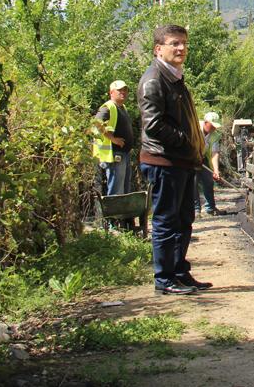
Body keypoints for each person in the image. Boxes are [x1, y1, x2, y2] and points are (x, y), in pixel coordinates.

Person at [137, 24, 211, 295]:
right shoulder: (154, 79)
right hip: (164, 161)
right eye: (174, 44)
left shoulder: (174, 77)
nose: (181, 48)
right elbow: (153, 125)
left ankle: (179, 272)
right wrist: (186, 140)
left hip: (180, 162)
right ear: (159, 49)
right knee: (166, 221)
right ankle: (164, 279)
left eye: (184, 43)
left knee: (183, 220)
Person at [92, 80, 134, 196]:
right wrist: (113, 139)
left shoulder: (122, 107)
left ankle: (123, 214)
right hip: (114, 153)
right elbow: (96, 124)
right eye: (119, 90)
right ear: (111, 92)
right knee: (117, 190)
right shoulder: (108, 107)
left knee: (124, 189)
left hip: (124, 153)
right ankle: (115, 214)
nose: (123, 92)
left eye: (125, 90)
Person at [195, 111, 223, 216]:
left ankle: (210, 208)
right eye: (212, 126)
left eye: (215, 126)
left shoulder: (215, 135)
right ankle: (196, 209)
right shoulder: (195, 127)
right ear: (206, 123)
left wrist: (216, 170)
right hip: (190, 158)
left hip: (203, 158)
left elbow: (214, 153)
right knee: (193, 182)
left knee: (208, 180)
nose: (214, 128)